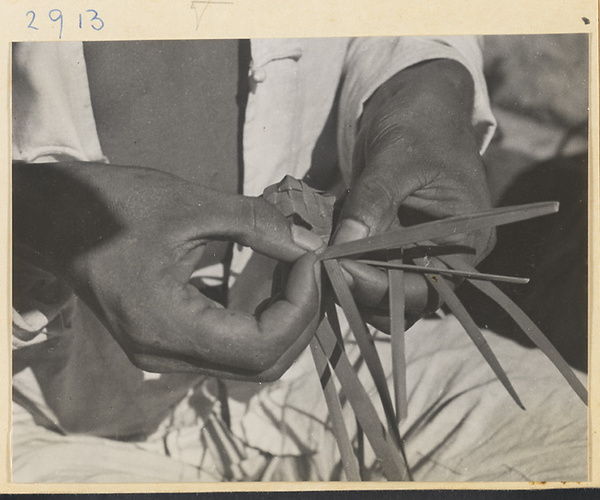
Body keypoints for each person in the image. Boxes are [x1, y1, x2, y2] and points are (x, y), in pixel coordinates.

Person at [11, 38, 586, 482]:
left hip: (322, 363)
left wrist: (423, 95)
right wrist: (45, 215)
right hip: (29, 423)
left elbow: (404, 24)